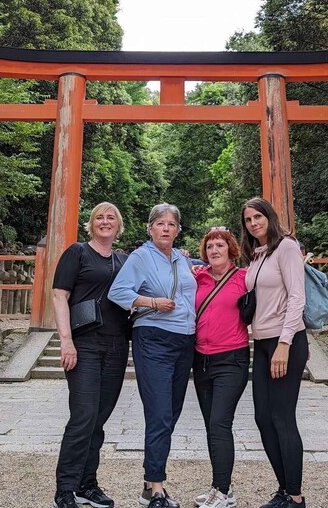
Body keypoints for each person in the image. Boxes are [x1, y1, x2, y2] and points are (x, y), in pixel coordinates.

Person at [108, 203, 197, 508]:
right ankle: (156, 488)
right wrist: (153, 302)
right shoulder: (141, 256)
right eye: (160, 223)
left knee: (170, 413)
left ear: (178, 230)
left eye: (172, 224)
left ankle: (150, 481)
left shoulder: (182, 260)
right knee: (159, 413)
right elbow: (118, 292)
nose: (166, 228)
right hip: (153, 338)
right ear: (150, 228)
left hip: (185, 341)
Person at [52, 202, 129, 508]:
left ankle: (87, 484)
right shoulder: (78, 252)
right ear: (91, 223)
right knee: (83, 416)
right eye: (100, 217)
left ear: (118, 225)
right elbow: (60, 295)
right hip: (84, 343)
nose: (105, 221)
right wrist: (66, 340)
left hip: (116, 344)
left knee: (99, 418)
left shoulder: (124, 260)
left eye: (111, 217)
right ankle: (65, 487)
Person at [240, 197, 308, 508]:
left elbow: (297, 297)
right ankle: (284, 489)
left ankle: (294, 496)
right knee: (262, 418)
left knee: (282, 417)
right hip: (263, 343)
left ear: (269, 216)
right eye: (248, 220)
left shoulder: (287, 248)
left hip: (286, 342)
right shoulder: (256, 255)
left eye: (258, 217)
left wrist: (284, 343)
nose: (254, 223)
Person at [190, 227, 249, 508]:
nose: (214, 250)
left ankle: (224, 492)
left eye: (220, 246)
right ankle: (218, 486)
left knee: (219, 423)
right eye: (210, 246)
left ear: (231, 250)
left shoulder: (244, 278)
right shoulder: (197, 278)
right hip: (201, 360)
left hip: (232, 358)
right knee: (210, 426)